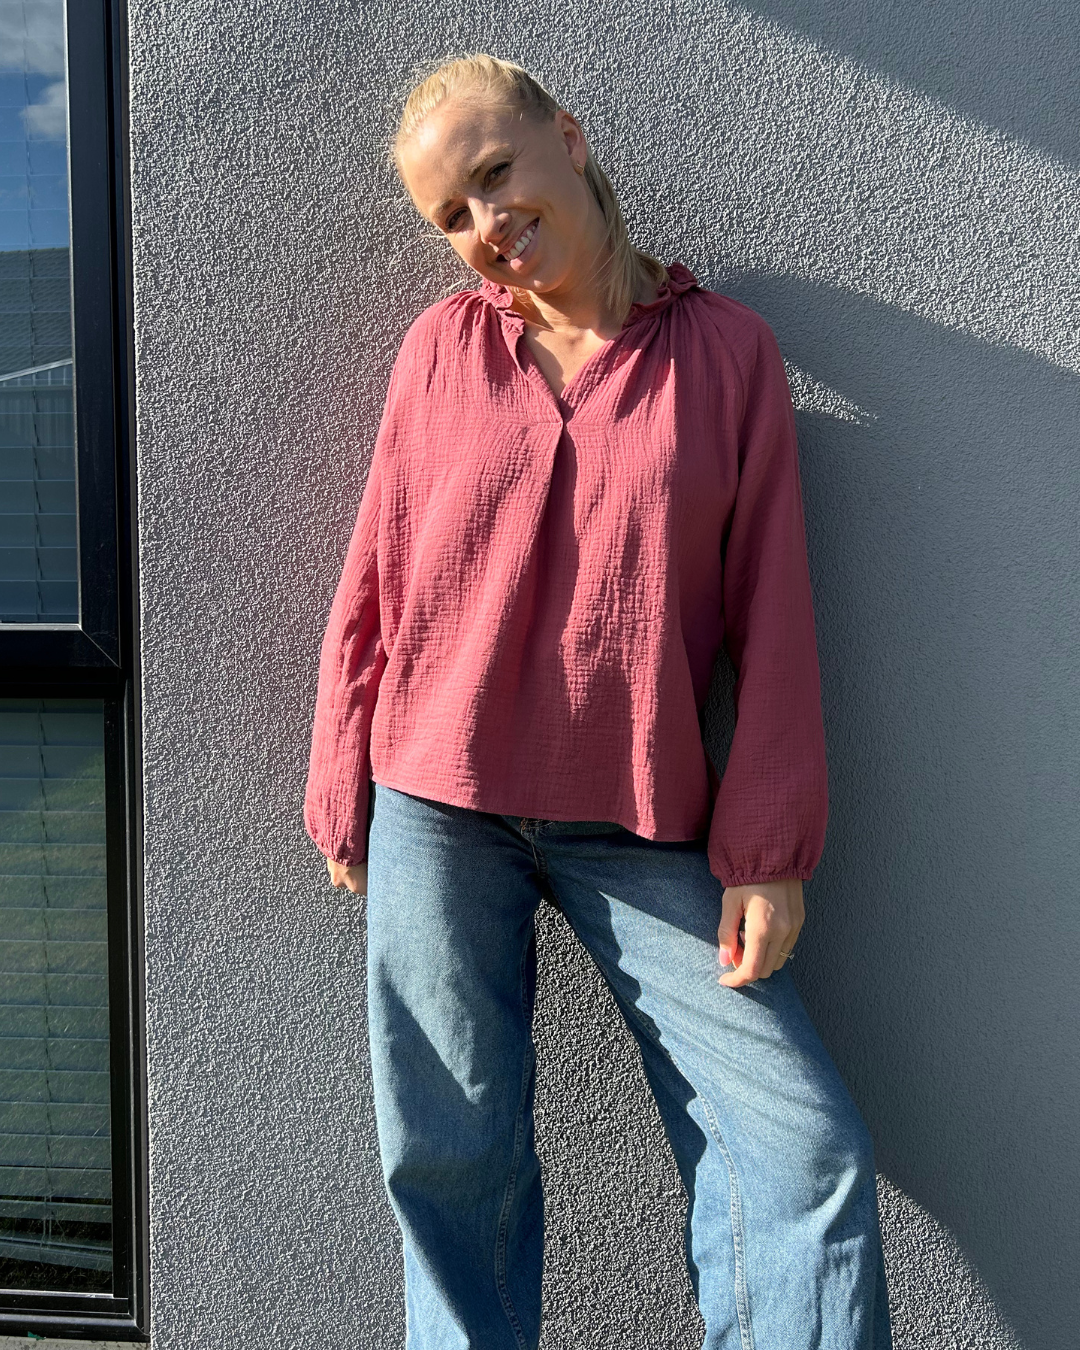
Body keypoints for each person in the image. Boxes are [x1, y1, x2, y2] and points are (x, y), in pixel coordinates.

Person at [304, 52, 892, 1350]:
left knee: (802, 1149)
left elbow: (774, 612)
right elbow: (378, 573)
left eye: (495, 173)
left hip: (635, 816)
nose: (486, 223)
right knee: (451, 1153)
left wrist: (768, 850)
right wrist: (342, 776)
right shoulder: (442, 350)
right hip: (436, 803)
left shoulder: (727, 354)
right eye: (451, 213)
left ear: (566, 138)